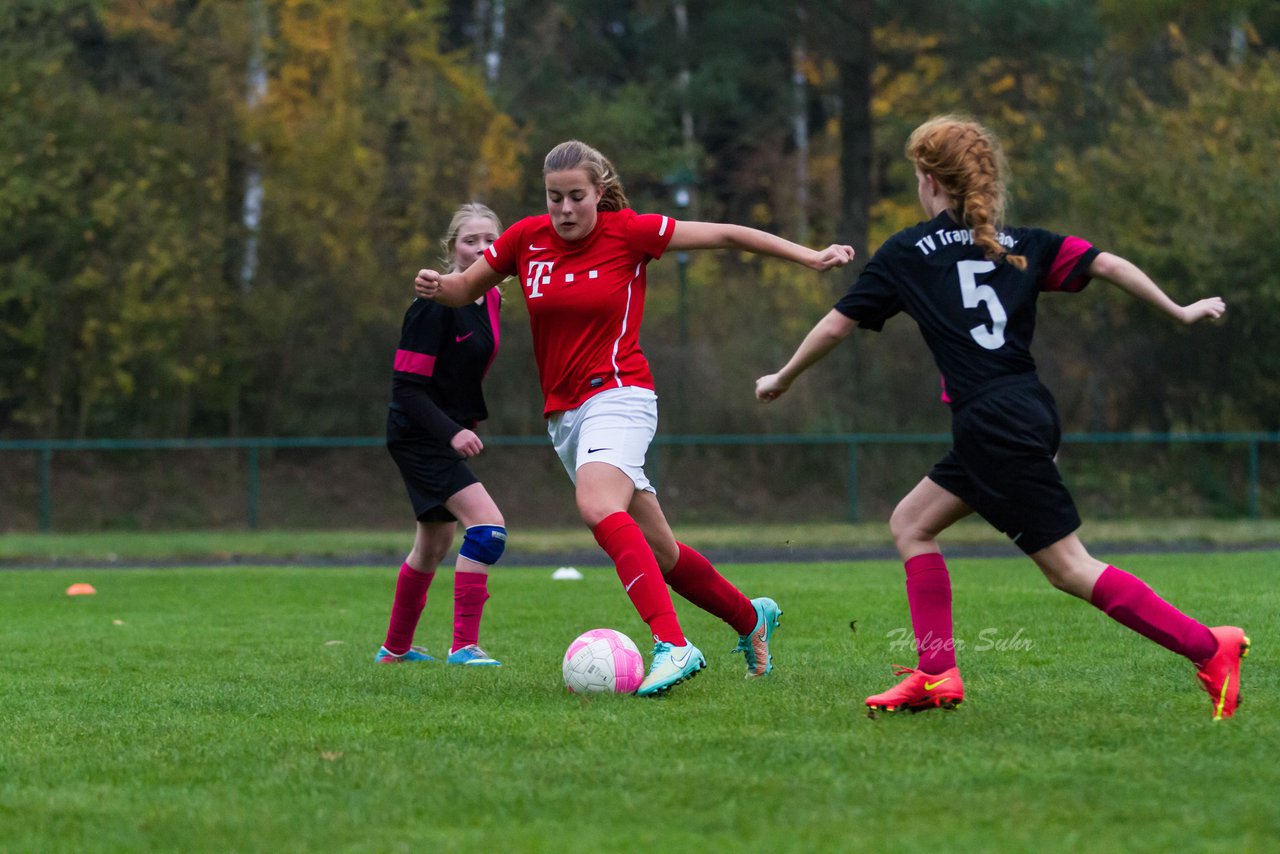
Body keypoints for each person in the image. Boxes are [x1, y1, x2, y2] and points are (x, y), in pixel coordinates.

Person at [756, 115, 1248, 720]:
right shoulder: (1020, 241)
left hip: (994, 424)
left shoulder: (908, 252)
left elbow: (837, 324)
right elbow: (1106, 263)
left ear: (931, 180)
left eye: (916, 176)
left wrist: (783, 376)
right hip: (1024, 409)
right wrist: (1179, 309)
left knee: (1070, 568)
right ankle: (936, 673)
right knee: (911, 523)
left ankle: (1208, 647)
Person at [416, 140, 854, 696]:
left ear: (599, 192)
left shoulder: (630, 232)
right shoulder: (526, 239)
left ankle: (672, 644)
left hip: (620, 393)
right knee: (663, 554)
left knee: (596, 505)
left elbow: (725, 234)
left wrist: (810, 256)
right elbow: (465, 287)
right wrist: (440, 287)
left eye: (577, 196)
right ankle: (751, 619)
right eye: (555, 198)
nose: (566, 209)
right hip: (566, 418)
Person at [376, 203, 508, 667]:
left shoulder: (491, 299)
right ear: (452, 247)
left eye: (491, 240)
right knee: (488, 531)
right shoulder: (432, 304)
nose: (481, 249)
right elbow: (406, 390)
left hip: (441, 432)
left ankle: (393, 651)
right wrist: (451, 433)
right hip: (418, 434)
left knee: (432, 544)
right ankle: (464, 646)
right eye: (471, 240)